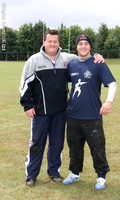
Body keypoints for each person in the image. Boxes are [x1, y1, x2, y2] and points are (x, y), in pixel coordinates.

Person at [19, 29, 104, 187]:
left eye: (55, 41)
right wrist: (27, 105)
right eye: (49, 41)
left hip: (60, 111)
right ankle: (31, 174)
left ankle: (53, 171)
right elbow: (24, 85)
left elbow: (84, 57)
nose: (52, 44)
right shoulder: (34, 60)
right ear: (44, 42)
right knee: (37, 143)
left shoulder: (67, 59)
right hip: (40, 111)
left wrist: (98, 55)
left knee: (57, 143)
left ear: (59, 43)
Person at [63, 34, 117, 190]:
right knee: (74, 146)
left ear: (90, 47)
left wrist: (108, 101)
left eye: (86, 43)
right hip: (73, 115)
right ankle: (74, 173)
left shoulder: (98, 63)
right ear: (76, 47)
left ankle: (101, 176)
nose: (83, 46)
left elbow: (112, 84)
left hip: (92, 115)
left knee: (97, 147)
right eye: (80, 44)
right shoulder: (71, 65)